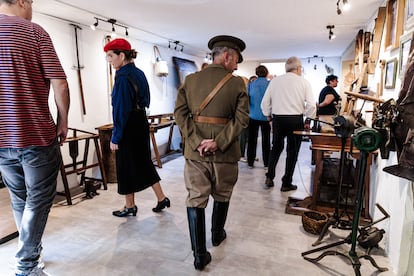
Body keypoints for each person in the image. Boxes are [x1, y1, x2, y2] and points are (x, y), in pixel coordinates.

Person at [0, 1, 70, 275]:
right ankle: (27, 265)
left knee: (20, 199)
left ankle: (32, 252)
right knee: (39, 199)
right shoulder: (34, 32)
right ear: (21, 2)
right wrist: (63, 120)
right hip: (36, 136)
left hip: (2, 139)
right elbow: (60, 83)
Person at [174, 35, 249, 270]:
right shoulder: (237, 84)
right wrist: (218, 142)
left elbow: (179, 114)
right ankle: (216, 235)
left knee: (196, 198)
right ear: (226, 56)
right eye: (235, 59)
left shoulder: (190, 80)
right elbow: (242, 119)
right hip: (225, 153)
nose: (236, 65)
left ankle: (199, 255)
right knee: (222, 194)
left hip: (196, 154)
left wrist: (197, 141)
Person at [103, 38, 170, 217]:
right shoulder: (138, 73)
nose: (108, 60)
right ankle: (161, 198)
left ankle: (130, 206)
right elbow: (146, 100)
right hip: (140, 122)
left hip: (128, 125)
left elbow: (120, 110)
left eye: (110, 56)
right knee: (143, 162)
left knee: (124, 165)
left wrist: (116, 137)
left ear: (121, 55)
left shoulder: (123, 77)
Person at [261, 56, 316, 191]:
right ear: (298, 68)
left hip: (278, 119)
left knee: (276, 148)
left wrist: (269, 118)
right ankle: (286, 183)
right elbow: (311, 105)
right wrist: (308, 120)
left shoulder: (275, 81)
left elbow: (265, 103)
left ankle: (269, 177)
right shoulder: (304, 82)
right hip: (295, 120)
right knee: (292, 151)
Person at [246, 65, 271, 169]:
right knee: (266, 140)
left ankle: (250, 162)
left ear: (257, 73)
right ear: (266, 73)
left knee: (252, 140)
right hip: (266, 116)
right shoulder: (270, 84)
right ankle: (266, 163)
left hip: (252, 115)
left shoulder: (251, 84)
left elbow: (247, 99)